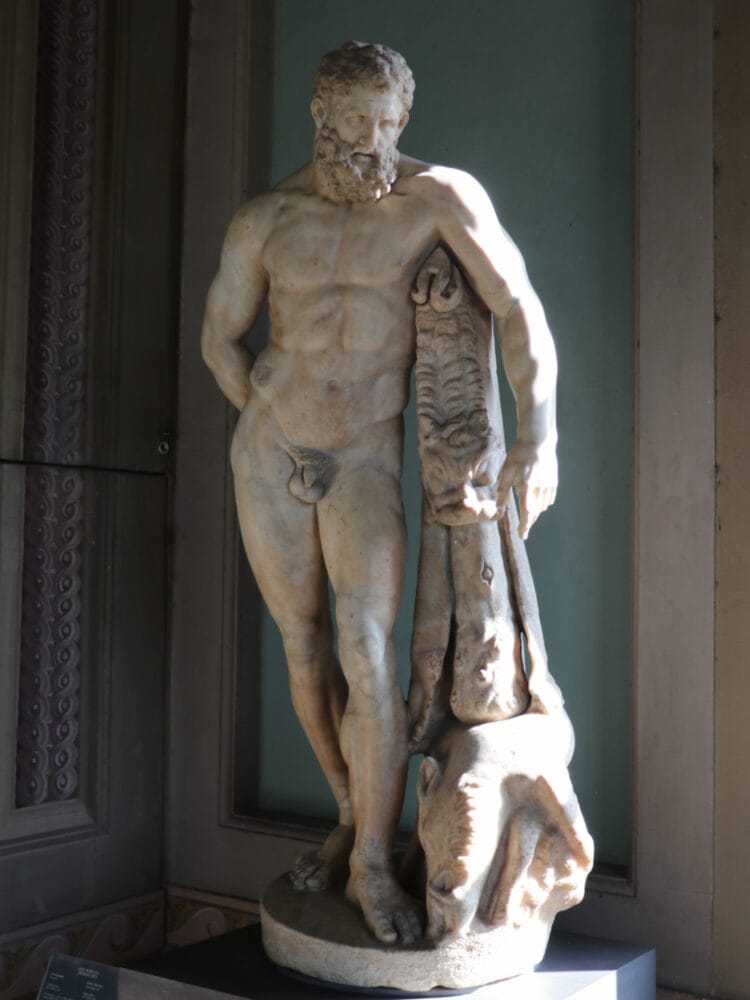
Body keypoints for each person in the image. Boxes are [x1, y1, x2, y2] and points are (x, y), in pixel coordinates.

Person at [201, 40, 558, 947]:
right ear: (320, 114)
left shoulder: (437, 198)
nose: (373, 141)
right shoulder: (265, 220)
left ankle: (367, 864)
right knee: (305, 647)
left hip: (364, 458)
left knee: (366, 650)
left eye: (389, 123)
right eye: (356, 120)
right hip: (271, 453)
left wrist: (539, 434)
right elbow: (220, 338)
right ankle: (349, 814)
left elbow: (518, 307)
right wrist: (266, 413)